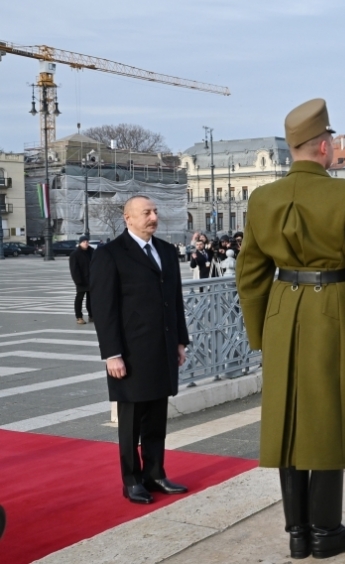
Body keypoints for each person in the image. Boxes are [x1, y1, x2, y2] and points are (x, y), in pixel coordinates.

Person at [237, 98, 345, 560]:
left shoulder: (263, 198)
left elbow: (250, 273)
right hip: (333, 312)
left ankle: (297, 532)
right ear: (324, 147)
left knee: (287, 422)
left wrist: (262, 333)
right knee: (326, 420)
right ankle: (326, 531)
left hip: (282, 314)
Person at [90, 195, 190, 505]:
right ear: (128, 218)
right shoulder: (110, 254)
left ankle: (155, 473)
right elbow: (103, 308)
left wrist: (179, 341)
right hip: (130, 353)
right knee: (131, 420)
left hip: (161, 349)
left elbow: (174, 300)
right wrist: (112, 354)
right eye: (146, 212)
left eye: (155, 211)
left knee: (157, 417)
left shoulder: (166, 251)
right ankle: (131, 480)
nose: (153, 217)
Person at [69, 235, 94, 325]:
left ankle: (92, 315)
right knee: (79, 299)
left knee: (91, 299)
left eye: (87, 241)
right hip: (81, 281)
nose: (86, 243)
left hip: (91, 279)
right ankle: (79, 317)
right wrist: (78, 281)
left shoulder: (92, 252)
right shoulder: (75, 254)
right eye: (84, 242)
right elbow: (74, 269)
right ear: (80, 243)